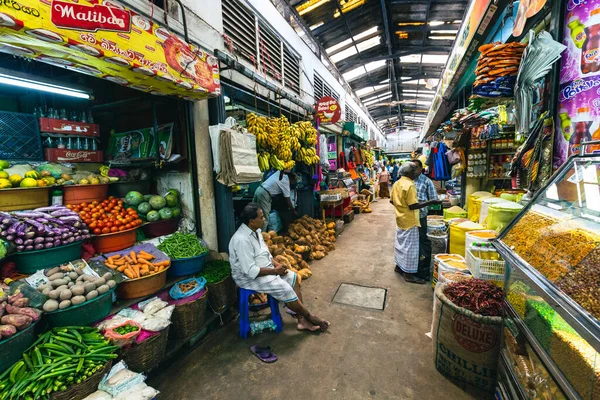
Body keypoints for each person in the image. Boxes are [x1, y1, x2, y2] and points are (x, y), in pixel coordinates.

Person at [229, 204, 330, 332]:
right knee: (285, 288)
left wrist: (276, 265)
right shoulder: (241, 240)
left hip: (265, 268)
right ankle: (310, 317)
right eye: (261, 217)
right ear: (251, 221)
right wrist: (275, 271)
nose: (264, 219)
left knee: (293, 276)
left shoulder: (256, 231)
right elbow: (251, 271)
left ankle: (301, 321)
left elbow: (265, 253)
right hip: (248, 278)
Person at [391, 162, 442, 284]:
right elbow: (413, 205)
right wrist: (431, 202)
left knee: (401, 245)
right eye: (414, 171)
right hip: (411, 220)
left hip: (400, 219)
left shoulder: (397, 183)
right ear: (409, 173)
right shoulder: (410, 185)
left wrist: (401, 209)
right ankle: (409, 274)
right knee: (411, 248)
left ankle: (399, 267)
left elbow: (392, 201)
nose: (416, 173)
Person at [412, 159, 438, 280]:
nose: (413, 170)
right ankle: (409, 266)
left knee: (422, 241)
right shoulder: (407, 180)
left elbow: (434, 199)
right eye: (411, 167)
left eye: (416, 167)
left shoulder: (426, 181)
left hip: (421, 217)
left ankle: (422, 269)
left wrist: (421, 205)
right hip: (408, 217)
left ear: (421, 168)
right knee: (410, 242)